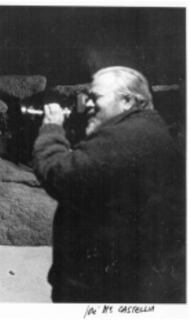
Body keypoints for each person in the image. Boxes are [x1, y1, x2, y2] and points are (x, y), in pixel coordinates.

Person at [32, 66, 185, 303]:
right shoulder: (148, 131)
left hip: (101, 290)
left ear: (127, 101)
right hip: (127, 282)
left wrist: (52, 128)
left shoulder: (127, 138)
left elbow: (59, 174)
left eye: (96, 97)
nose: (88, 104)